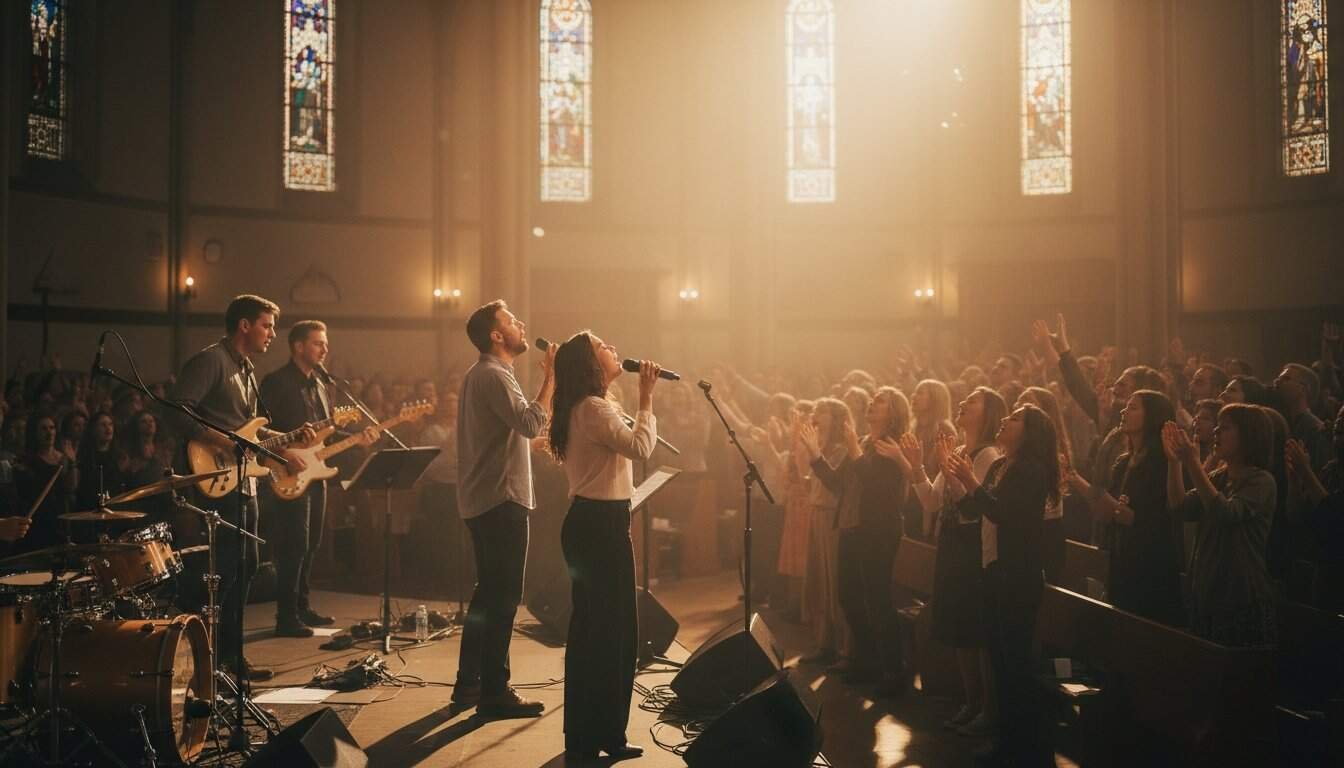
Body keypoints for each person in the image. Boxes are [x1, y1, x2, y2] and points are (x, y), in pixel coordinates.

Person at [170, 294, 310, 682]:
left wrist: (285, 438)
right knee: (228, 567)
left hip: (243, 478)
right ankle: (211, 659)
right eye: (267, 325)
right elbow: (178, 410)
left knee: (246, 564)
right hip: (216, 476)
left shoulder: (246, 369)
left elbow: (246, 427)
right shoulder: (212, 360)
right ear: (244, 325)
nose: (272, 334)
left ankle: (231, 657)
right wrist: (219, 442)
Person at [547, 331, 658, 760]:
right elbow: (641, 447)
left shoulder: (594, 406)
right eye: (603, 346)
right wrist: (646, 397)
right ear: (591, 364)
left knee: (609, 635)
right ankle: (593, 736)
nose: (613, 347)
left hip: (599, 524)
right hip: (599, 527)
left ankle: (601, 734)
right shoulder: (592, 409)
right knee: (604, 636)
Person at [452, 300, 555, 717]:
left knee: (487, 595)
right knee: (504, 598)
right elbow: (530, 422)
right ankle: (495, 691)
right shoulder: (495, 375)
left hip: (484, 498)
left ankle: (470, 683)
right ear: (496, 335)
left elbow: (510, 435)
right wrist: (551, 380)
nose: (521, 324)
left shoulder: (482, 374)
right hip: (501, 499)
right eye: (512, 321)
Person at [944, 403, 1059, 766]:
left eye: (1014, 419)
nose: (1005, 422)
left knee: (1015, 664)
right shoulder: (1001, 464)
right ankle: (1007, 740)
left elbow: (1003, 512)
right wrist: (963, 481)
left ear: (1029, 431)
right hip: (993, 567)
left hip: (1017, 574)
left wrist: (970, 480)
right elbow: (980, 509)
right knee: (999, 660)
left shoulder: (1031, 469)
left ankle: (1024, 747)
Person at [260, 320, 377, 638]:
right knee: (293, 543)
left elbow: (325, 435)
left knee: (312, 542)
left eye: (325, 343)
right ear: (298, 346)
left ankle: (302, 606)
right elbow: (259, 428)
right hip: (288, 469)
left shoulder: (322, 385)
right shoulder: (276, 382)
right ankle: (285, 615)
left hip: (316, 472)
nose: (325, 349)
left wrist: (357, 437)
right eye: (317, 343)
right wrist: (285, 450)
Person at [906, 386, 1007, 737]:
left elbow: (976, 508)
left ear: (990, 412)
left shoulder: (989, 455)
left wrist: (951, 474)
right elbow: (933, 502)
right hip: (950, 542)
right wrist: (917, 466)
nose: (963, 402)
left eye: (974, 400)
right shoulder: (961, 449)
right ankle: (971, 701)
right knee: (959, 631)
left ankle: (986, 706)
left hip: (972, 547)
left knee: (974, 631)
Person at [803, 386, 911, 696]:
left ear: (894, 412)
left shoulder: (893, 445)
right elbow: (838, 484)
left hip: (878, 531)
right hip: (852, 528)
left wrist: (854, 451)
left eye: (881, 402)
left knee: (877, 601)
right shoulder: (863, 443)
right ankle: (866, 662)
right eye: (873, 401)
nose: (872, 406)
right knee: (849, 597)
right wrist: (815, 455)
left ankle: (892, 671)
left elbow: (878, 489)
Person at [1162, 406, 1277, 647]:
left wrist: (1193, 463)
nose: (1216, 431)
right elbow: (1180, 507)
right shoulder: (1220, 476)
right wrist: (1174, 463)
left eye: (1225, 427)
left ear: (1248, 435)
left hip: (1239, 594)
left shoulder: (1261, 481)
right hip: (1207, 588)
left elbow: (1224, 513)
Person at [1068, 391, 1184, 625]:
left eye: (1133, 407)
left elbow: (1162, 517)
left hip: (1152, 564)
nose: (1123, 411)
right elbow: (1104, 508)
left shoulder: (1163, 464)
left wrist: (1126, 515)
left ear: (1152, 416)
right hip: (1122, 556)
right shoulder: (1123, 462)